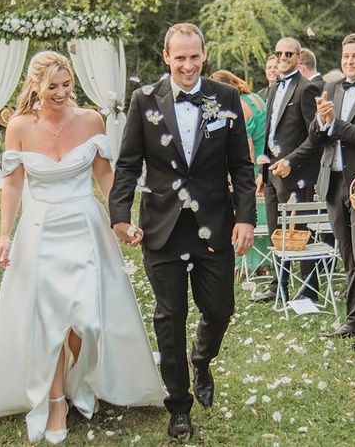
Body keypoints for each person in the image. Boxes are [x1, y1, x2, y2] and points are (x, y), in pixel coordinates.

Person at [0, 51, 165, 443]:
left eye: (67, 85)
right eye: (52, 87)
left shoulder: (91, 120)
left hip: (84, 227)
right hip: (40, 231)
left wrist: (121, 220)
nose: (61, 93)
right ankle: (56, 399)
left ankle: (82, 380)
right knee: (48, 320)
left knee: (89, 319)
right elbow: (12, 184)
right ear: (35, 87)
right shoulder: (20, 127)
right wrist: (5, 234)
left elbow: (106, 176)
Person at [109, 23, 256, 440]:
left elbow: (241, 167)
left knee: (220, 310)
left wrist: (246, 217)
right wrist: (120, 213)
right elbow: (127, 163)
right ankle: (178, 404)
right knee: (169, 317)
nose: (188, 65)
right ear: (166, 58)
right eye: (180, 58)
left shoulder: (224, 97)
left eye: (194, 57)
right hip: (163, 226)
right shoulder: (143, 100)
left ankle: (202, 359)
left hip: (214, 223)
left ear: (204, 55)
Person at [283, 34, 355, 348]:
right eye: (345, 57)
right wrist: (322, 122)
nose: (349, 62)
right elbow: (316, 135)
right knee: (347, 255)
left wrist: (336, 123)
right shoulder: (332, 88)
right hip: (333, 182)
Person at [253, 36, 321, 304]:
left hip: (297, 175)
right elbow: (269, 133)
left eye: (288, 54)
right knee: (274, 231)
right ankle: (277, 285)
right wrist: (262, 172)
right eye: (279, 53)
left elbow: (315, 136)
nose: (282, 58)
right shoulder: (272, 88)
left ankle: (308, 289)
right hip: (270, 173)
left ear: (298, 56)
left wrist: (291, 160)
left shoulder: (307, 89)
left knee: (300, 232)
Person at [209, 69, 266, 164]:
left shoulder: (240, 105)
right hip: (267, 156)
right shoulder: (254, 96)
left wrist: (249, 176)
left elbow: (248, 147)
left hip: (256, 162)